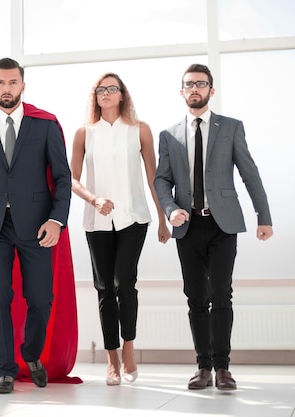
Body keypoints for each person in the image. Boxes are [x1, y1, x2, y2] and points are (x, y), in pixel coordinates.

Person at [0, 57, 73, 394]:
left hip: (37, 226)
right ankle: (5, 369)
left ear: (23, 85)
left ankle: (31, 354)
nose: (6, 89)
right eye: (0, 83)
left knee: (41, 298)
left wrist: (56, 220)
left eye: (12, 83)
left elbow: (63, 179)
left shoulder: (46, 124)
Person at [154, 63, 273, 391]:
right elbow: (161, 179)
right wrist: (170, 208)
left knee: (221, 293)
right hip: (188, 226)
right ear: (181, 91)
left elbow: (250, 173)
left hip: (223, 224)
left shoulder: (231, 127)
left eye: (201, 83)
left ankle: (223, 368)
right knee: (195, 297)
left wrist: (263, 216)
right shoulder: (169, 135)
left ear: (211, 90)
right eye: (189, 84)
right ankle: (202, 367)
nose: (195, 88)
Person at [70, 73, 171, 386]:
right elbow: (71, 179)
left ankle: (129, 346)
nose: (106, 94)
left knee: (124, 283)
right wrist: (94, 198)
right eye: (101, 89)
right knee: (104, 290)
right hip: (96, 221)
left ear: (122, 95)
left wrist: (162, 217)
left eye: (112, 89)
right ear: (95, 96)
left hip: (134, 218)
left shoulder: (139, 131)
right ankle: (112, 359)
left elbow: (154, 176)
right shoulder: (84, 133)